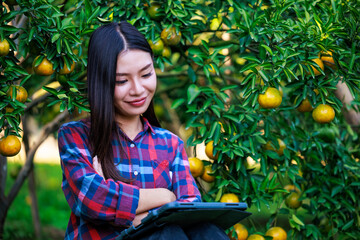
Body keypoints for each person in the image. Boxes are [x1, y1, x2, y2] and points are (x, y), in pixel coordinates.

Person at [58, 21, 229, 240]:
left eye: (146, 75)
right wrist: (165, 196)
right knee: (167, 231)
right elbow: (93, 200)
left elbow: (189, 210)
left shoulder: (170, 144)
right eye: (122, 81)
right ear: (102, 81)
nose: (138, 90)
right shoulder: (76, 137)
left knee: (206, 231)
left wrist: (121, 208)